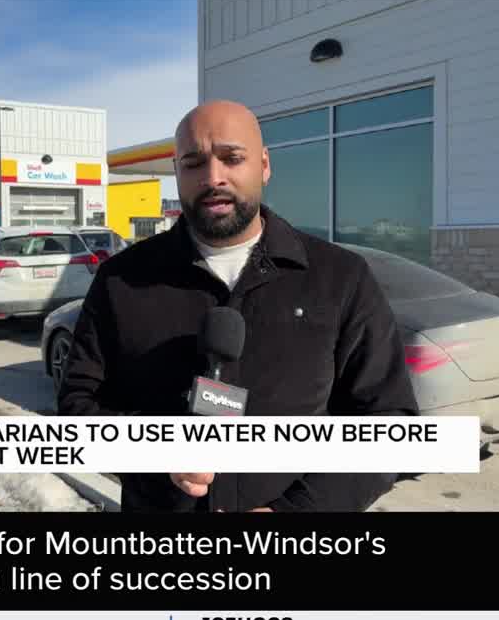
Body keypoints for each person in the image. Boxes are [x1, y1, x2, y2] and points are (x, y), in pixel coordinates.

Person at [56, 100, 418, 513]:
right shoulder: (121, 280)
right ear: (176, 172)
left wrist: (302, 508)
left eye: (232, 158)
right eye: (193, 163)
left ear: (264, 165)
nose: (213, 177)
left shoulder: (340, 278)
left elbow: (389, 423)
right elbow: (78, 406)